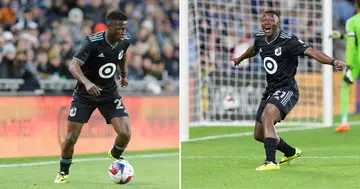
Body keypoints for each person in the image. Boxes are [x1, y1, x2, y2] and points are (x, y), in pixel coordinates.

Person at [231, 10, 346, 171]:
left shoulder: (289, 41)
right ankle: (291, 152)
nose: (265, 23)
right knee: (259, 135)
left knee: (268, 116)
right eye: (263, 20)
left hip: (287, 89)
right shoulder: (259, 37)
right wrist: (240, 58)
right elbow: (254, 49)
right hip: (270, 90)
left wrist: (334, 62)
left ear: (277, 23)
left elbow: (313, 53)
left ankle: (270, 162)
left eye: (270, 20)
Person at [54, 10, 131, 183]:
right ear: (109, 27)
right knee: (70, 138)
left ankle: (114, 155)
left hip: (109, 93)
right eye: (120, 29)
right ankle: (63, 172)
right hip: (84, 94)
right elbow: (73, 66)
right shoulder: (92, 42)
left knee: (125, 134)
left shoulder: (125, 40)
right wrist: (87, 83)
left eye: (125, 29)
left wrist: (123, 74)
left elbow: (122, 54)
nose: (123, 32)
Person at [330, 0, 360, 133]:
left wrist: (347, 65)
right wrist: (342, 35)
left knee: (345, 86)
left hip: (355, 60)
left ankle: (344, 121)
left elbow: (352, 44)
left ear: (356, 6)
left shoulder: (352, 21)